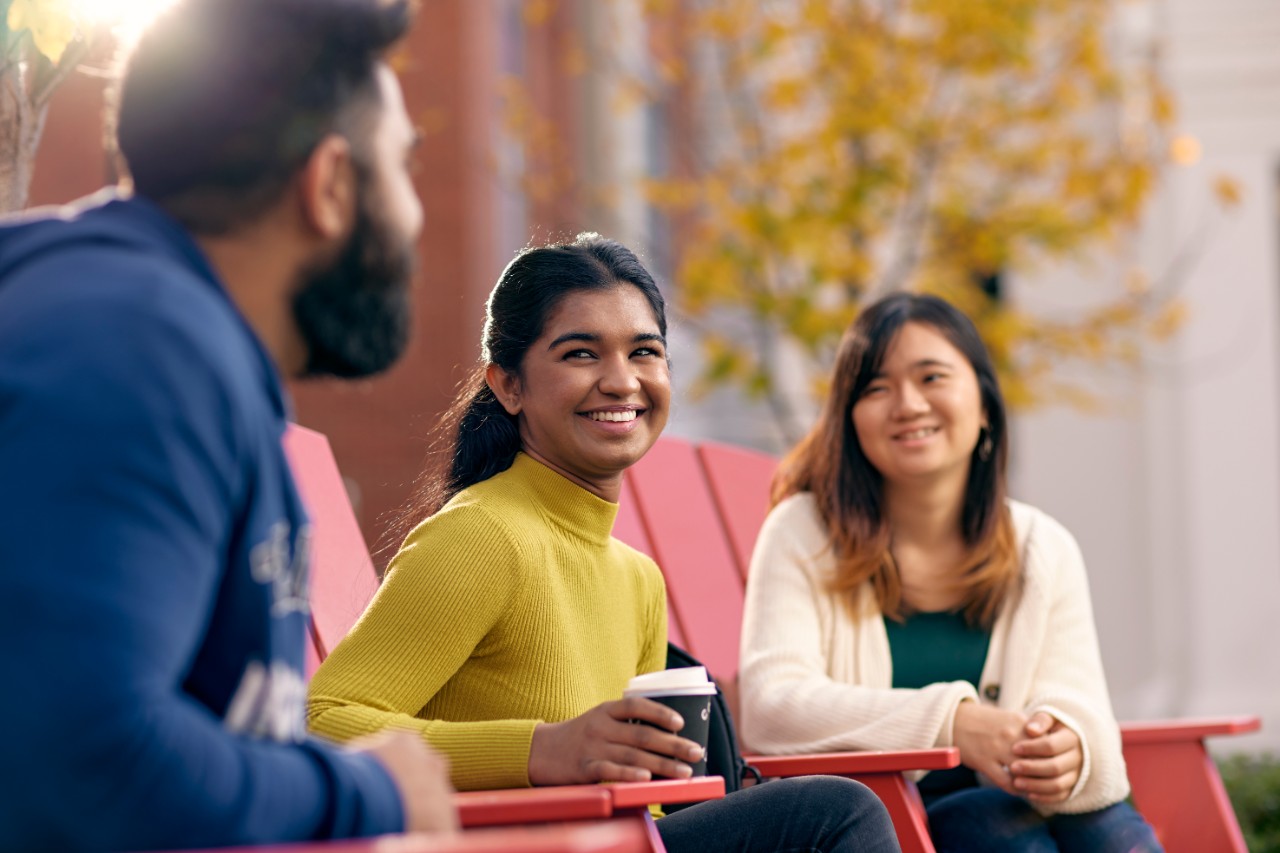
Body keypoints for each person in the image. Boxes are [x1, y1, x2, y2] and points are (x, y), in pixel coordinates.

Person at [0, 0, 458, 848]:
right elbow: (79, 760)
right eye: (403, 168)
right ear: (329, 185)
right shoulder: (132, 345)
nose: (417, 217)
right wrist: (368, 792)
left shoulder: (162, 337)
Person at [308, 234, 901, 853]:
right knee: (838, 814)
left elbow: (651, 803)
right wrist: (541, 749)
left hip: (614, 841)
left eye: (645, 352)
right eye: (581, 354)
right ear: (509, 386)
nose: (622, 382)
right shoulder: (480, 536)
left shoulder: (638, 578)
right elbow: (321, 722)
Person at [738, 293, 1162, 852]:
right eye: (876, 388)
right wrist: (952, 723)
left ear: (985, 404)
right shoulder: (803, 533)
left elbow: (1078, 700)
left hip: (1018, 810)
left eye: (931, 377)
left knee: (1103, 828)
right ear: (851, 419)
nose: (908, 404)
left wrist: (1070, 748)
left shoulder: (1043, 548)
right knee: (1003, 826)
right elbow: (772, 706)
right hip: (877, 827)